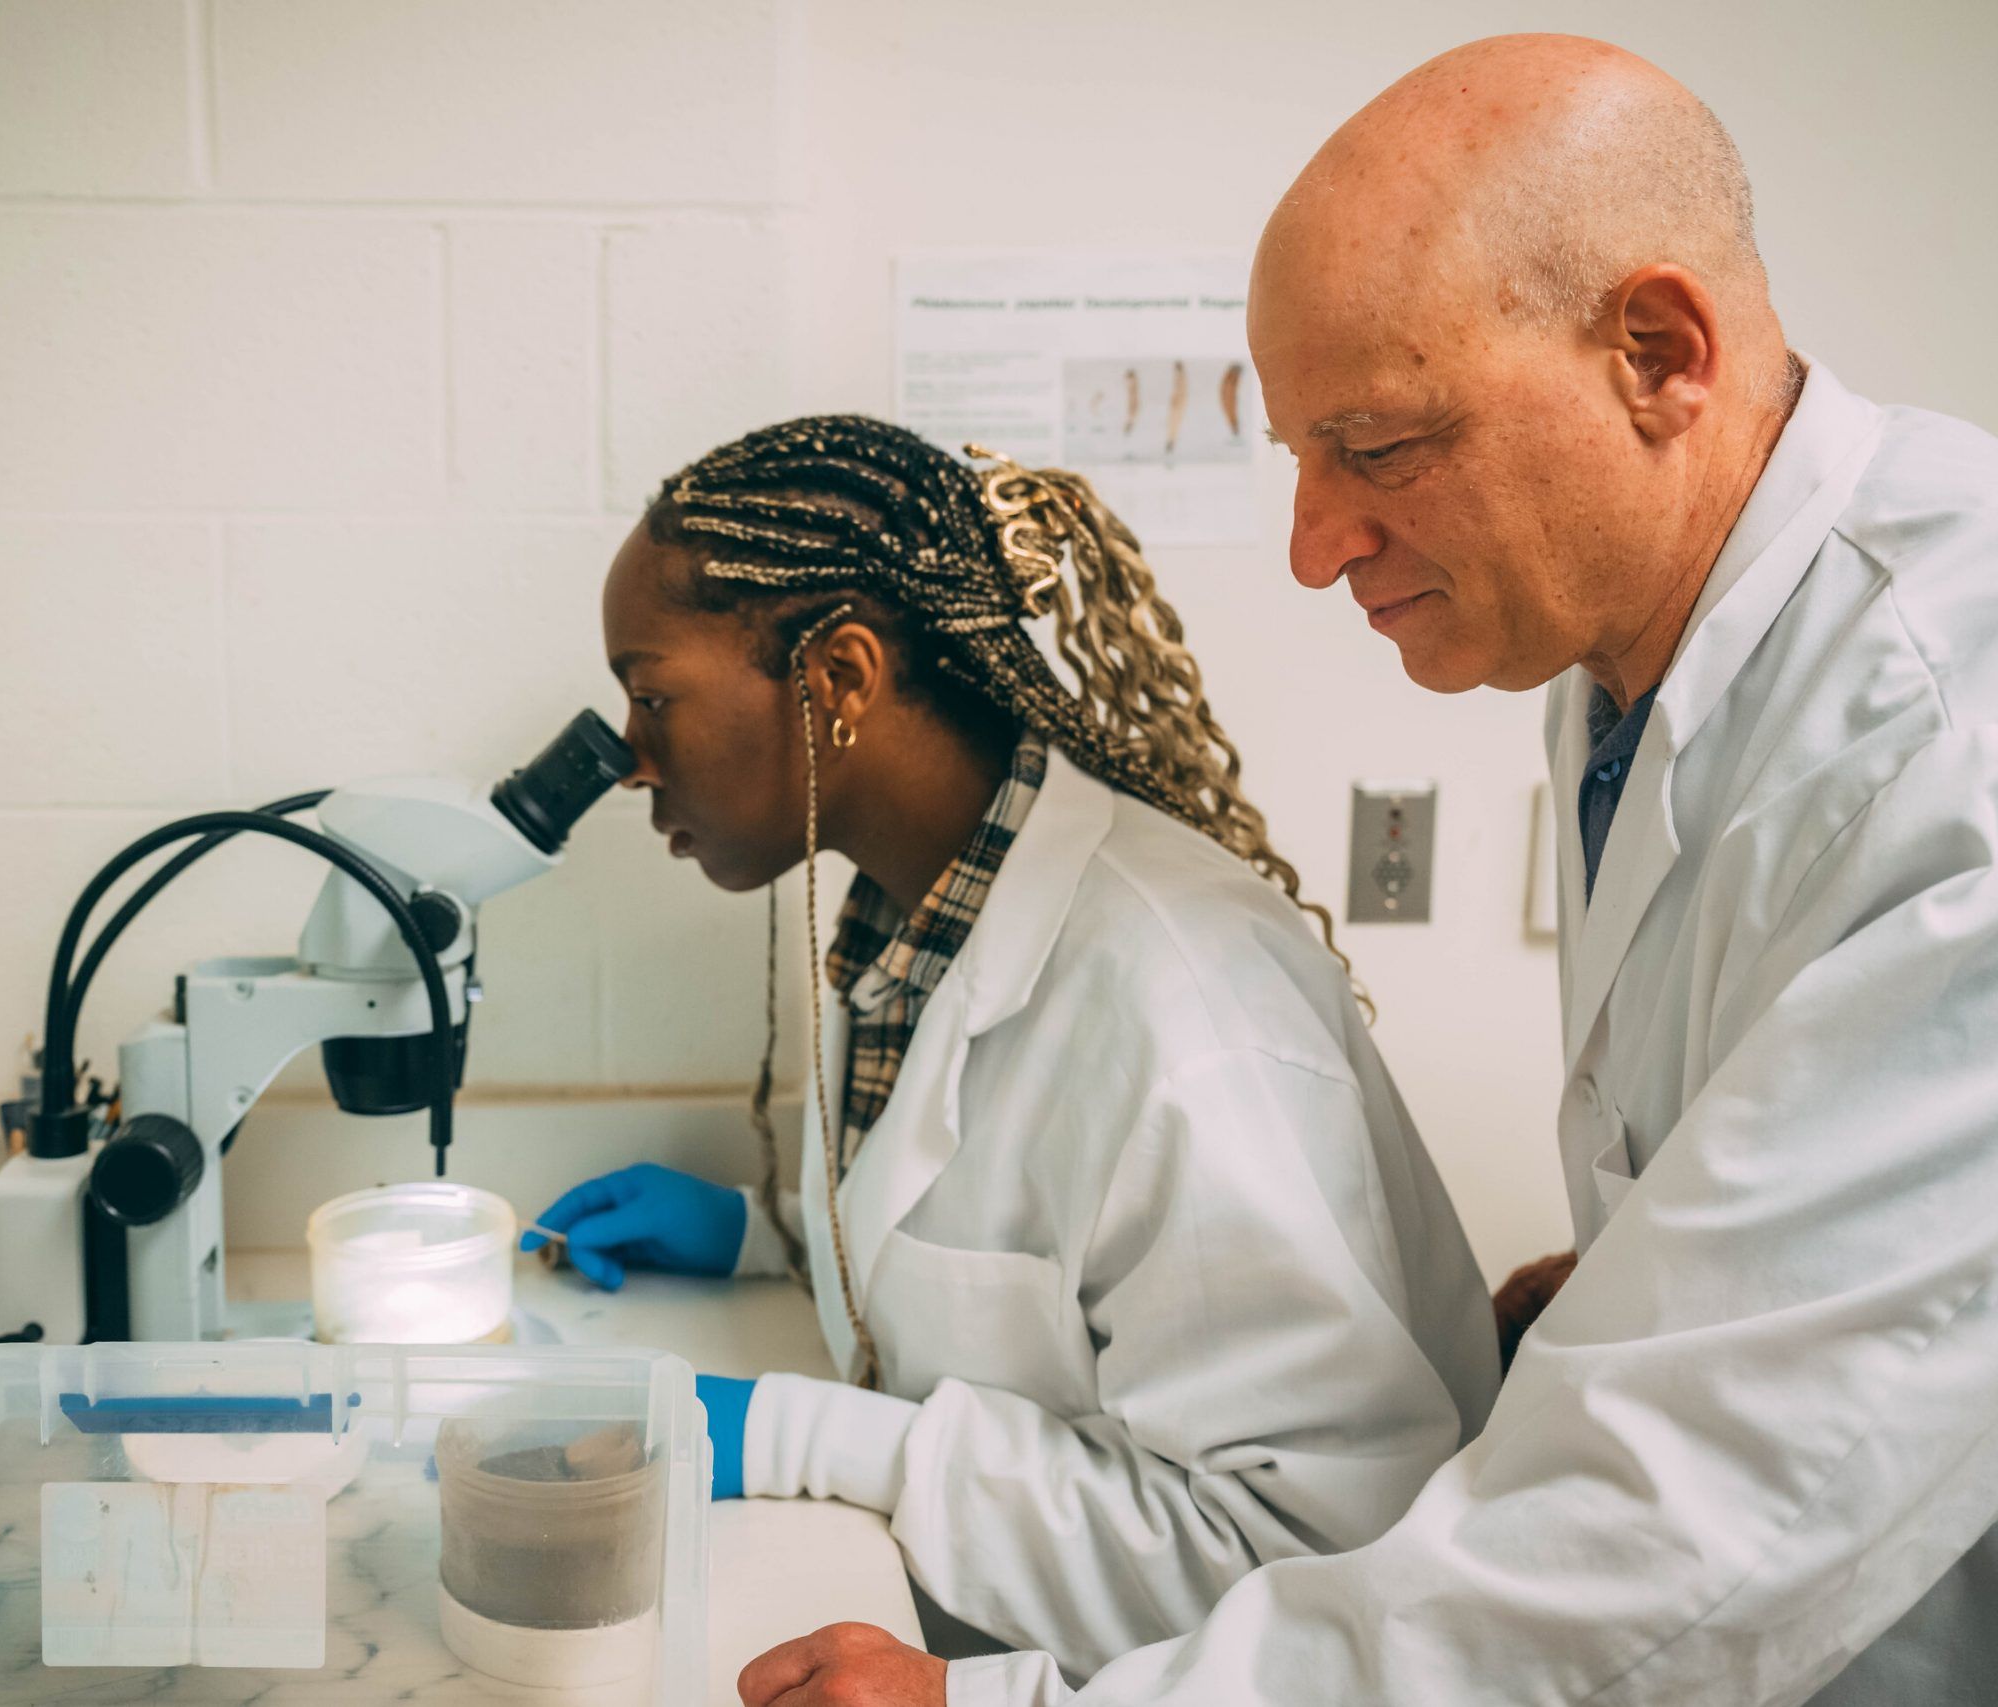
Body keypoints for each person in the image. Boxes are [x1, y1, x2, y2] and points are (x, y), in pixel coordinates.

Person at [738, 33, 1998, 1707]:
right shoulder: (1634, 657)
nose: (1313, 544)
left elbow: (1660, 1544)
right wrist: (1649, 1265)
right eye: (1298, 459)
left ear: (1657, 352)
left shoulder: (1947, 734)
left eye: (1382, 449)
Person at [532, 415, 1500, 1677]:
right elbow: (1015, 1249)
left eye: (651, 694)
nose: (627, 761)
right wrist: (765, 1228)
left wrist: (792, 1437)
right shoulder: (910, 908)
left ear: (838, 677)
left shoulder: (1180, 1007)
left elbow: (1305, 1550)